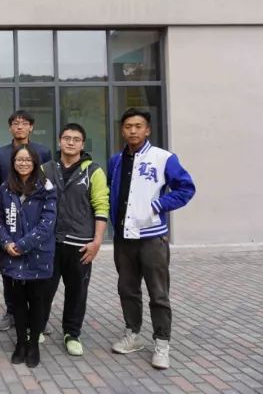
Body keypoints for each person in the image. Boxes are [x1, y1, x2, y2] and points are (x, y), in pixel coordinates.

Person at [108, 108, 195, 370]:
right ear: (122, 130)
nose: (133, 130)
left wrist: (157, 205)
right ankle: (132, 334)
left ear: (147, 130)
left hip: (152, 238)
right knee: (127, 289)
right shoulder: (115, 161)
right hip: (124, 238)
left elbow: (186, 188)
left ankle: (162, 342)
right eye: (128, 126)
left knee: (158, 293)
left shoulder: (163, 158)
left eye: (138, 126)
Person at [40, 123, 109, 357]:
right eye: (67, 138)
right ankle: (37, 326)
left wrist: (97, 241)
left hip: (80, 244)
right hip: (49, 243)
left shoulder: (93, 171)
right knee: (43, 289)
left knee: (77, 292)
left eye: (76, 139)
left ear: (82, 144)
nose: (71, 142)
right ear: (59, 141)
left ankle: (72, 333)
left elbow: (101, 206)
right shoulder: (46, 169)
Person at [0, 110, 52, 333]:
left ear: (31, 127)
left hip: (35, 217)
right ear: (10, 128)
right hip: (10, 218)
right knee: (10, 272)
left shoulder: (43, 152)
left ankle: (37, 317)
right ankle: (11, 312)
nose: (20, 127)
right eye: (15, 123)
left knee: (37, 274)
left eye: (24, 123)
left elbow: (48, 183)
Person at [0, 145, 56, 368]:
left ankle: (34, 345)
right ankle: (21, 343)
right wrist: (6, 242)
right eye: (19, 160)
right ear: (13, 163)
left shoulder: (46, 187)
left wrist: (22, 245)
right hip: (11, 254)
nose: (23, 163)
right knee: (18, 303)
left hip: (37, 255)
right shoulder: (5, 188)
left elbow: (47, 224)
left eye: (27, 160)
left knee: (37, 302)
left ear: (35, 163)